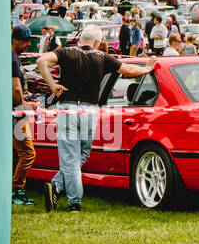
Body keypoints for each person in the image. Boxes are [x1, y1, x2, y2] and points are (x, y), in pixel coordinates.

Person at [38, 24, 154, 212]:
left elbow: (41, 61)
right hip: (90, 110)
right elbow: (130, 70)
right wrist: (147, 68)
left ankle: (64, 192)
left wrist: (52, 85)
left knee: (71, 158)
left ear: (80, 39)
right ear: (98, 42)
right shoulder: (103, 57)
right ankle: (65, 194)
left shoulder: (65, 52)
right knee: (81, 154)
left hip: (67, 109)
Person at [10, 26, 36, 206]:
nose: (28, 44)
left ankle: (12, 189)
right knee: (28, 153)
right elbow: (15, 88)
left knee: (15, 154)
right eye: (25, 41)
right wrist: (25, 104)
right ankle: (16, 190)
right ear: (15, 40)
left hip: (15, 112)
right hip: (17, 114)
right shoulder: (12, 59)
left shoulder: (13, 57)